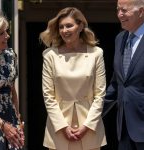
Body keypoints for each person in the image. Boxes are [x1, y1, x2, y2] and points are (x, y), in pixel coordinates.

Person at [40, 7, 106, 150]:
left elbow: (100, 95)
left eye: (69, 25)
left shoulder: (96, 54)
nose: (64, 30)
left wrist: (87, 126)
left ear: (81, 26)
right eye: (61, 27)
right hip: (59, 130)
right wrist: (63, 127)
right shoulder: (49, 55)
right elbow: (48, 96)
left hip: (90, 129)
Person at [104, 0, 144, 149]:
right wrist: (91, 116)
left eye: (124, 10)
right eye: (118, 10)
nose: (120, 14)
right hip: (124, 129)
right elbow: (117, 83)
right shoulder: (120, 39)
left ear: (141, 12)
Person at [0, 13, 24, 149]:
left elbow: (13, 92)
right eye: (1, 33)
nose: (7, 36)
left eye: (6, 31)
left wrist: (18, 121)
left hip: (9, 118)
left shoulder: (10, 56)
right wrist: (2, 125)